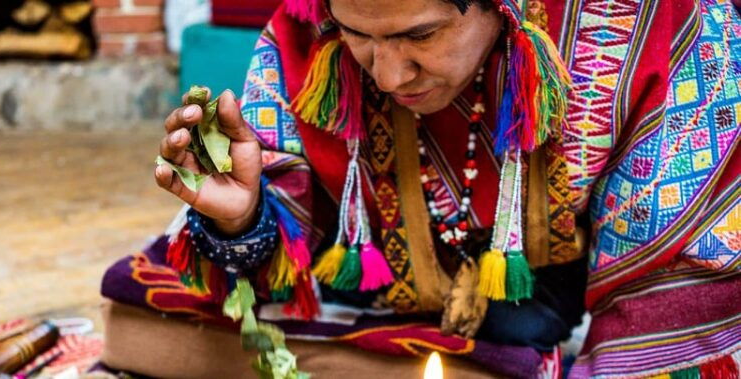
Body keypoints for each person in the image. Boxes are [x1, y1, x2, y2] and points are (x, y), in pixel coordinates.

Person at [101, 0, 741, 377]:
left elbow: (679, 277)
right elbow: (277, 250)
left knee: (525, 323)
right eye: (359, 33)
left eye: (419, 35)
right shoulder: (307, 32)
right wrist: (241, 220)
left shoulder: (660, 28)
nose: (386, 74)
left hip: (571, 263)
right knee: (153, 314)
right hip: (377, 267)